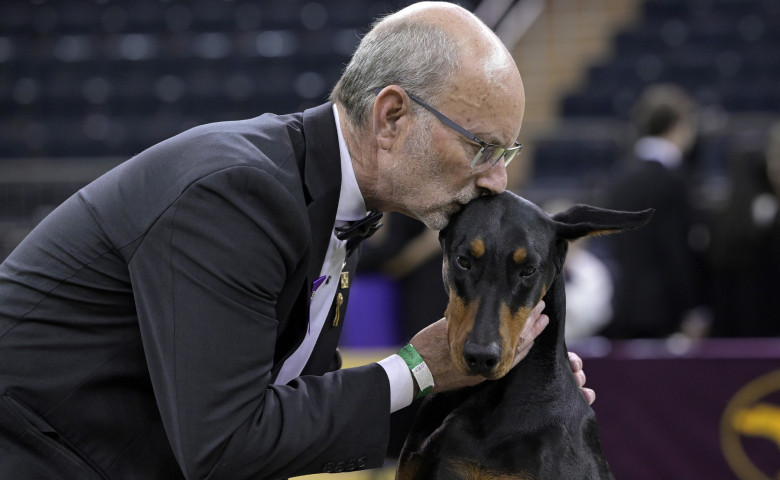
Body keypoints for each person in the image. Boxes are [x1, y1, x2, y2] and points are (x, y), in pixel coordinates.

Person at [0, 3, 593, 479]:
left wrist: (514, 402)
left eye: (506, 154)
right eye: (482, 147)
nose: (497, 179)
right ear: (391, 117)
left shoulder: (330, 196)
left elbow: (299, 417)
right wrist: (419, 367)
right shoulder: (237, 193)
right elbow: (225, 446)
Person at [599, 83, 707, 339]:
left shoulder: (618, 179)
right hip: (666, 316)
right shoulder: (676, 182)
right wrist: (691, 309)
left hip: (622, 309)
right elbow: (676, 250)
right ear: (679, 125)